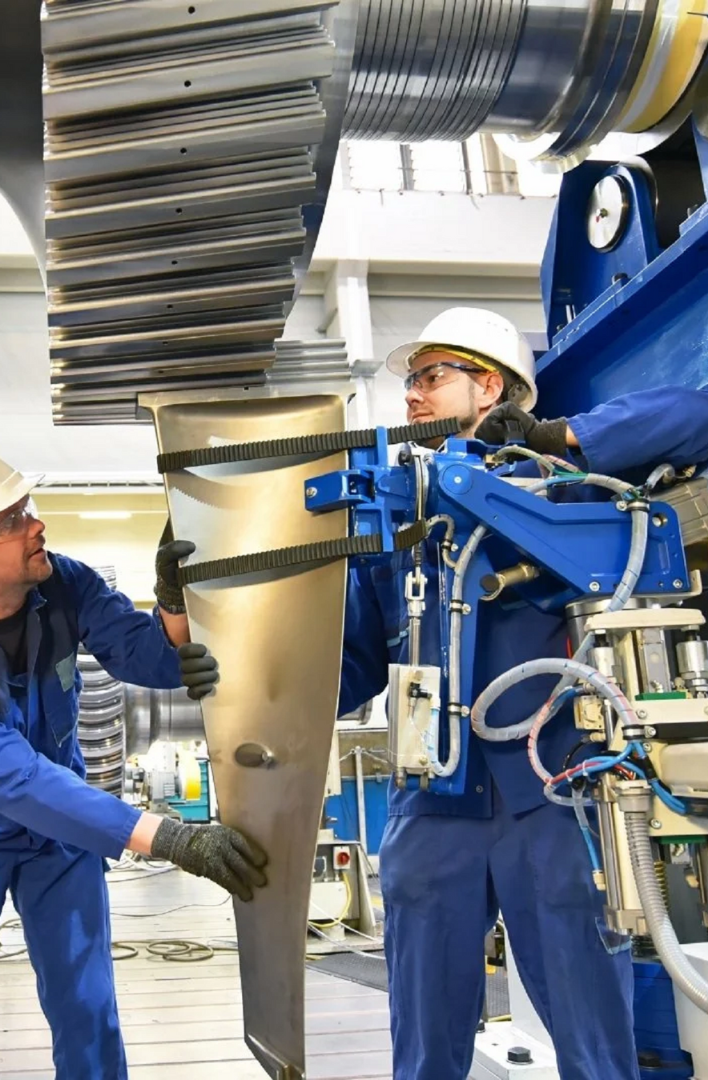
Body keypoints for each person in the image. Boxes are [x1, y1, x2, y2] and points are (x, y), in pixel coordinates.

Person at [185, 306, 708, 1080]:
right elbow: (348, 672)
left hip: (552, 800)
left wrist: (557, 439)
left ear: (490, 386)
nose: (412, 398)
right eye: (410, 383)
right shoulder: (397, 525)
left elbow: (696, 415)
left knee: (596, 1046)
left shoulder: (563, 491)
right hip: (432, 808)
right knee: (424, 1049)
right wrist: (235, 666)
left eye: (431, 377)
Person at [0, 457, 267, 1080]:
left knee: (87, 1007)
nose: (37, 525)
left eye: (28, 509)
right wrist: (166, 837)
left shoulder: (63, 583)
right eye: (14, 520)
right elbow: (13, 776)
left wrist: (175, 602)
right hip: (40, 800)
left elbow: (141, 653)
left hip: (57, 835)